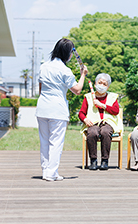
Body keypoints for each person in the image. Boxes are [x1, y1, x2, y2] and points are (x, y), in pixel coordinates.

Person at [36, 38, 88, 181]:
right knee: (56, 142)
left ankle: (46, 171)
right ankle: (51, 173)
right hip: (57, 109)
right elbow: (77, 90)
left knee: (44, 141)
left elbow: (41, 89)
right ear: (67, 54)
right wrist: (83, 75)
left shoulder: (44, 66)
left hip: (42, 108)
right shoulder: (65, 70)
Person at [79, 73, 123, 171]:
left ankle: (105, 160)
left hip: (108, 123)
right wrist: (85, 119)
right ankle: (93, 160)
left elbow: (116, 111)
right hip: (93, 123)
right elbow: (81, 113)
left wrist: (103, 105)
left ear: (108, 87)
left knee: (105, 132)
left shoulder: (112, 97)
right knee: (92, 133)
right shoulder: (88, 97)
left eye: (104, 84)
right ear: (95, 84)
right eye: (100, 83)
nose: (102, 86)